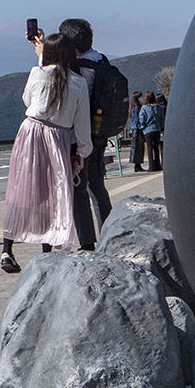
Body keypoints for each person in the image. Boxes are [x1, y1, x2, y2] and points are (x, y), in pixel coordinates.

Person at [0, 29, 92, 273]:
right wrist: (81, 152)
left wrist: (40, 57)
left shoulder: (36, 73)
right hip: (58, 137)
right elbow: (82, 124)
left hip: (30, 131)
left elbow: (27, 101)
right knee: (54, 191)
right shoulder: (79, 82)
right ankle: (46, 254)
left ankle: (6, 251)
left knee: (21, 188)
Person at [60, 18, 113, 250]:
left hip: (81, 136)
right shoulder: (101, 61)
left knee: (78, 190)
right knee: (97, 186)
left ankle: (87, 243)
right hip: (100, 133)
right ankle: (112, 235)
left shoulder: (77, 68)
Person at [134, 92, 164, 172]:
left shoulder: (144, 108)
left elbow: (142, 119)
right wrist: (160, 127)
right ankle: (157, 165)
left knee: (150, 148)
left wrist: (143, 127)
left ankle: (151, 166)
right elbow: (162, 119)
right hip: (157, 129)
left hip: (148, 130)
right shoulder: (158, 107)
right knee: (157, 148)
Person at [127, 91, 145, 171]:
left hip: (134, 128)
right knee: (139, 147)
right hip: (138, 128)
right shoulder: (137, 108)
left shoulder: (132, 107)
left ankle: (136, 164)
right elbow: (139, 118)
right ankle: (137, 165)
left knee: (135, 147)